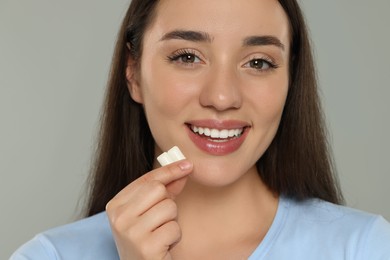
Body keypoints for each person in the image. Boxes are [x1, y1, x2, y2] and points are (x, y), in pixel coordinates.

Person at [11, 0, 390, 259]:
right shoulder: (50, 255)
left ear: (291, 78)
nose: (223, 96)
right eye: (187, 57)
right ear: (133, 73)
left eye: (258, 62)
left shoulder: (365, 248)